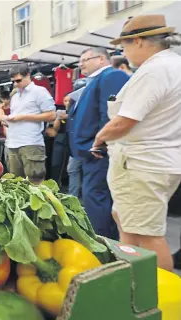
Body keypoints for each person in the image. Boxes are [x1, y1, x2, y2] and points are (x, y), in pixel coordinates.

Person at [92, 14, 181, 271]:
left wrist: (100, 136)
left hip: (142, 163)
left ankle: (163, 296)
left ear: (140, 41)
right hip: (157, 160)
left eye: (125, 45)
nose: (124, 52)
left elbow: (126, 120)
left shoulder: (154, 70)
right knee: (128, 222)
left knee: (149, 236)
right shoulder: (173, 64)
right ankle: (133, 281)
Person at [69, 47, 130, 240]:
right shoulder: (93, 81)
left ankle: (104, 242)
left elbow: (111, 113)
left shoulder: (112, 76)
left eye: (86, 59)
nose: (81, 63)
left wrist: (102, 143)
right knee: (95, 197)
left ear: (102, 59)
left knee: (97, 197)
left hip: (99, 151)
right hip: (90, 151)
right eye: (80, 60)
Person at [4, 65, 56, 184]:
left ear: (28, 75)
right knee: (16, 185)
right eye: (13, 82)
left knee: (34, 184)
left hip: (31, 143)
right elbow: (17, 117)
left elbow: (52, 115)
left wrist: (23, 117)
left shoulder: (39, 91)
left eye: (18, 80)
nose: (16, 84)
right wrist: (8, 121)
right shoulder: (15, 96)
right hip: (13, 143)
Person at [45, 95, 71, 186]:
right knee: (56, 164)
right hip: (61, 140)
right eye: (65, 101)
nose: (67, 103)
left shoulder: (77, 113)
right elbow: (55, 130)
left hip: (71, 140)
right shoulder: (60, 112)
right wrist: (58, 118)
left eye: (69, 101)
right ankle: (56, 185)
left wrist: (68, 116)